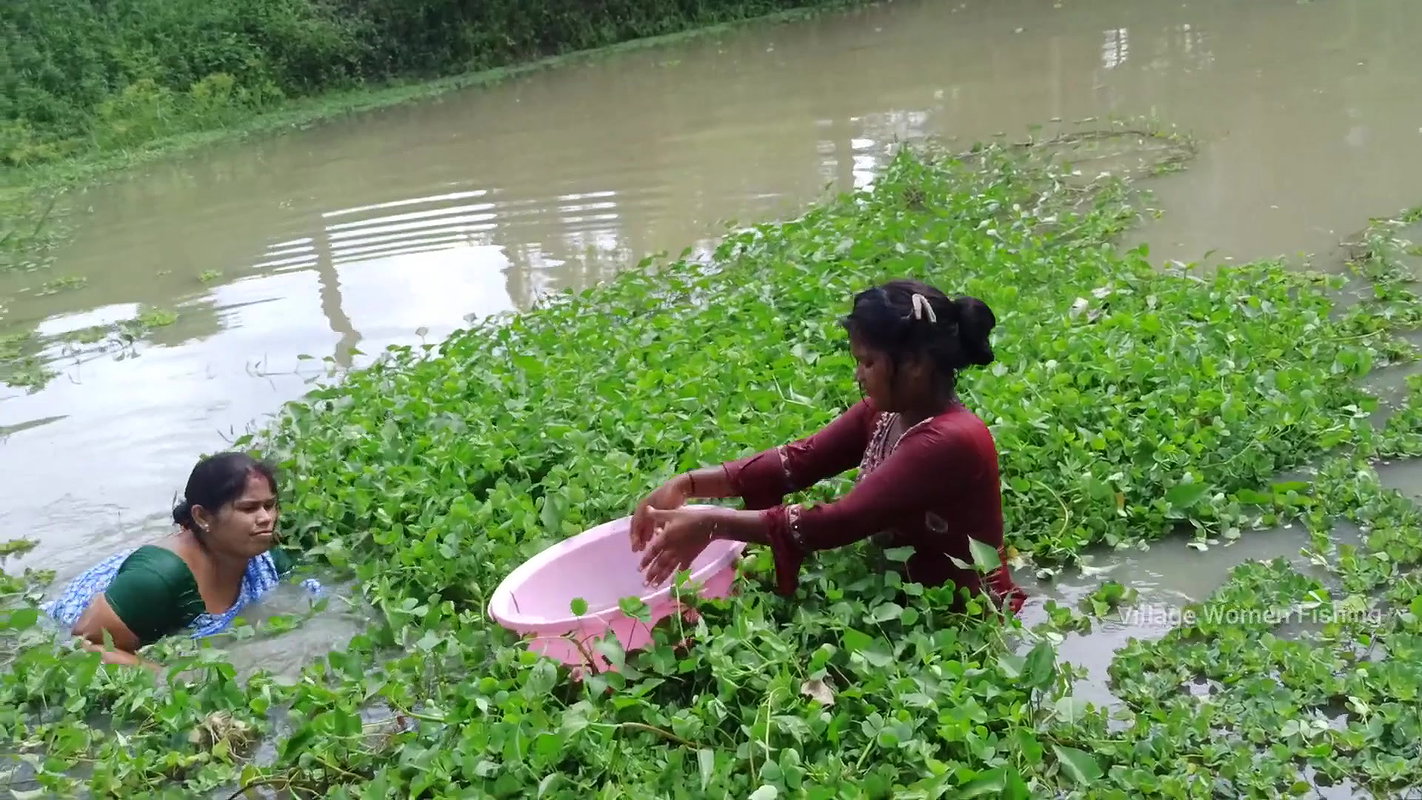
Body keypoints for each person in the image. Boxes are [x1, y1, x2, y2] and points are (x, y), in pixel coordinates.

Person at [630, 279, 1027, 615]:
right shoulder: (884, 413)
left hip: (962, 617)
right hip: (900, 599)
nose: (859, 375)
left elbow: (838, 522)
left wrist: (711, 523)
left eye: (868, 363)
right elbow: (797, 462)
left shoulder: (951, 440)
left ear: (916, 364)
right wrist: (688, 484)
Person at [44, 451, 306, 666]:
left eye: (270, 505)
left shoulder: (263, 552)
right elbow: (83, 646)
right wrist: (166, 679)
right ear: (202, 517)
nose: (266, 518)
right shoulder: (158, 578)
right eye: (248, 508)